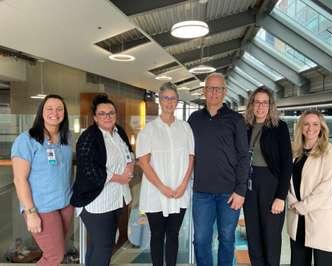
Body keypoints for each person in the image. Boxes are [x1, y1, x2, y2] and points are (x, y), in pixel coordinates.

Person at [188, 73, 249, 266]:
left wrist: (240, 190)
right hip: (201, 192)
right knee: (201, 240)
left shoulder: (236, 119)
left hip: (229, 193)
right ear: (204, 91)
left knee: (227, 239)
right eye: (210, 88)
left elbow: (243, 156)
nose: (214, 92)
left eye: (218, 88)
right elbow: (186, 153)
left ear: (225, 92)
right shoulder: (194, 119)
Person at [70, 94, 134, 266]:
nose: (107, 116)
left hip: (116, 199)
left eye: (111, 113)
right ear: (95, 118)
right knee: (104, 247)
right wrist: (118, 177)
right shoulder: (89, 137)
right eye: (102, 113)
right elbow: (88, 167)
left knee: (98, 246)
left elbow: (129, 152)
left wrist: (130, 165)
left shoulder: (119, 131)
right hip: (96, 202)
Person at [136, 82, 194, 266]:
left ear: (177, 101)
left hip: (179, 191)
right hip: (156, 193)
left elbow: (191, 158)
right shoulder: (148, 130)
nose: (169, 102)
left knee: (174, 235)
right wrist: (162, 187)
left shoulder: (185, 128)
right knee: (157, 235)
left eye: (173, 98)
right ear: (160, 100)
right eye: (165, 98)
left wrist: (184, 185)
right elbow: (143, 163)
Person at [11, 94, 73, 266]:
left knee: (54, 253)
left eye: (59, 109)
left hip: (65, 205)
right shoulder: (26, 140)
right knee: (54, 256)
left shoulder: (66, 137)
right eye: (49, 108)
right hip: (41, 208)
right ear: (41, 112)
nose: (55, 112)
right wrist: (30, 213)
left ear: (64, 113)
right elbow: (19, 179)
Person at [244, 87, 293, 266]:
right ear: (252, 105)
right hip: (249, 186)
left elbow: (287, 164)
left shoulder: (279, 127)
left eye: (265, 102)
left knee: (271, 237)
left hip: (271, 185)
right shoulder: (246, 127)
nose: (261, 106)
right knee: (253, 236)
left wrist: (281, 196)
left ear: (270, 105)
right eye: (257, 102)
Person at [287, 110, 332, 266]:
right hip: (297, 216)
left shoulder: (331, 151)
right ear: (301, 127)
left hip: (319, 217)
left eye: (315, 124)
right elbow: (286, 180)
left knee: (324, 262)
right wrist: (291, 200)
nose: (311, 128)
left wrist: (302, 206)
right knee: (298, 261)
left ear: (322, 127)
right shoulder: (294, 150)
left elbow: (326, 187)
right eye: (306, 124)